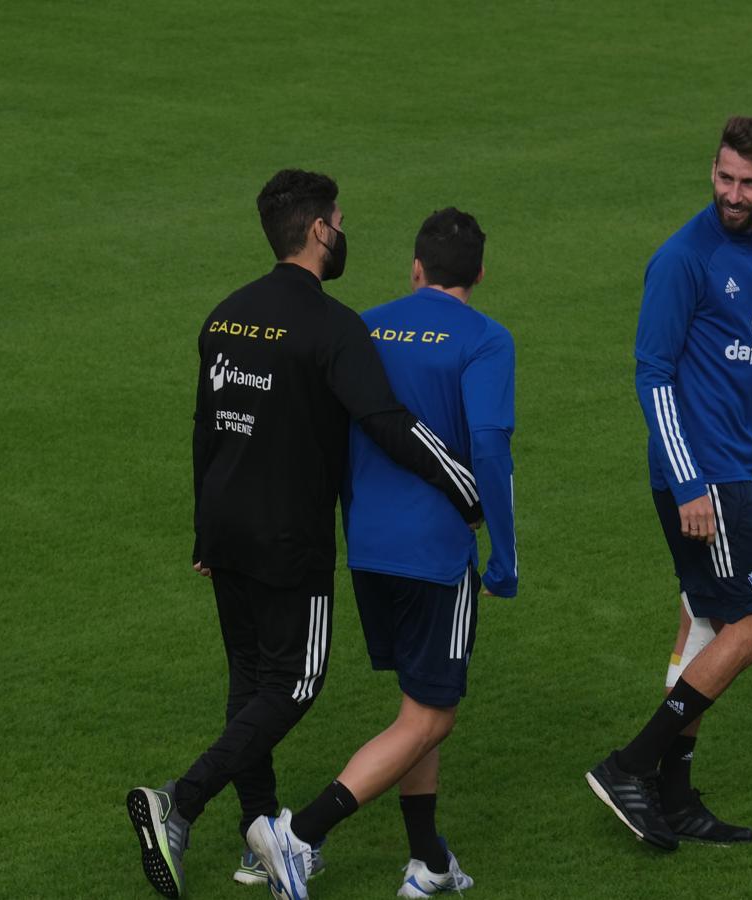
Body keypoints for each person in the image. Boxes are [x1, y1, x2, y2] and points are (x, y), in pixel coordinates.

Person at [126, 171, 483, 900]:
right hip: (290, 537)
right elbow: (385, 421)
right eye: (340, 221)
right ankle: (179, 802)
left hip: (224, 527)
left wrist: (203, 529)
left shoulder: (225, 316)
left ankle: (260, 840)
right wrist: (463, 482)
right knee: (295, 681)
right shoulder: (332, 325)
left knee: (251, 684)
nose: (343, 231)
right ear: (320, 231)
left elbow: (206, 431)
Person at [585, 116, 752, 850]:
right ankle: (629, 765)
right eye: (724, 178)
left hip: (726, 472)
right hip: (708, 480)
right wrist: (689, 477)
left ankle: (674, 797)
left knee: (702, 625)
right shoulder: (682, 259)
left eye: (749, 183)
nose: (733, 194)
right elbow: (653, 374)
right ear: (713, 169)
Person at [246, 207, 516, 900]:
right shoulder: (487, 340)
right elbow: (487, 447)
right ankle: (299, 835)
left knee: (413, 707)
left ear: (415, 269)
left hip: (367, 547)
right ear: (480, 274)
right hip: (435, 552)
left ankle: (428, 861)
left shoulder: (362, 323)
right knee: (433, 716)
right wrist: (504, 555)